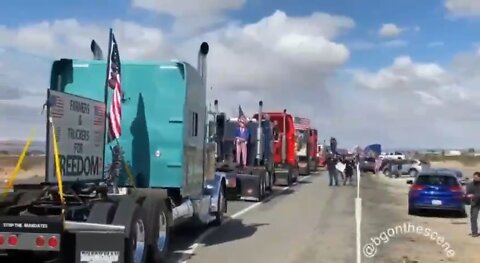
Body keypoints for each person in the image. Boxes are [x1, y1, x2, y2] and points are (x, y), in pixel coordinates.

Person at [466, 172, 480, 237]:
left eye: (476, 177)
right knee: (473, 218)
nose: (475, 178)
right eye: (474, 177)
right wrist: (468, 196)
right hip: (475, 203)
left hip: (477, 200)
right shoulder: (470, 184)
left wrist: (474, 195)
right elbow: (468, 193)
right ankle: (474, 232)